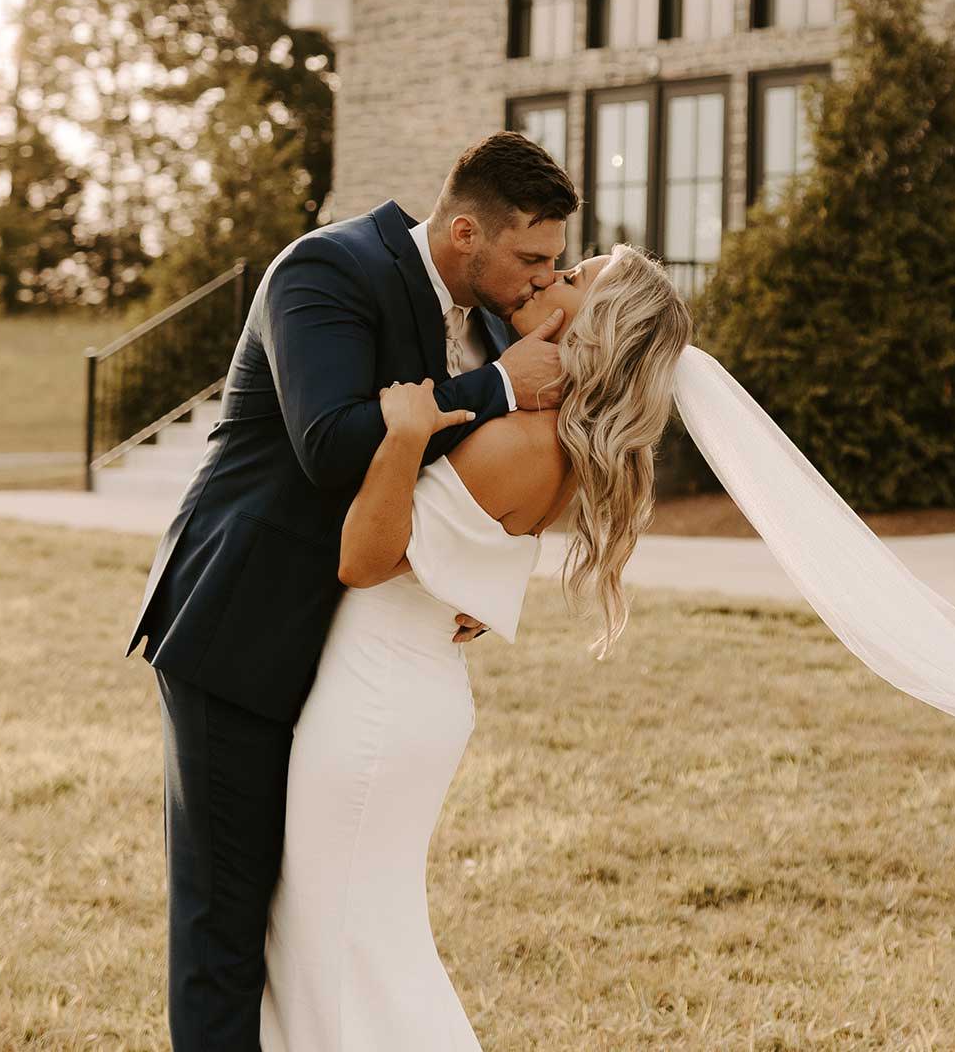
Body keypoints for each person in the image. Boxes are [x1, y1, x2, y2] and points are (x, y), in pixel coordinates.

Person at [125, 131, 579, 1049]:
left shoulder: (490, 316)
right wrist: (494, 384)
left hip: (346, 653)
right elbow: (330, 443)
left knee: (301, 906)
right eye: (532, 258)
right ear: (465, 234)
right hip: (240, 629)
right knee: (225, 917)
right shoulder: (325, 270)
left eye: (557, 264)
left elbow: (454, 477)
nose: (541, 280)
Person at [258, 242, 691, 1049]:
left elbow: (363, 559)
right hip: (403, 686)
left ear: (594, 329)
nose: (548, 278)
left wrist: (403, 435)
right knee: (355, 944)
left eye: (571, 279)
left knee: (346, 949)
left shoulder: (524, 442)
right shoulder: (549, 438)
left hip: (376, 697)